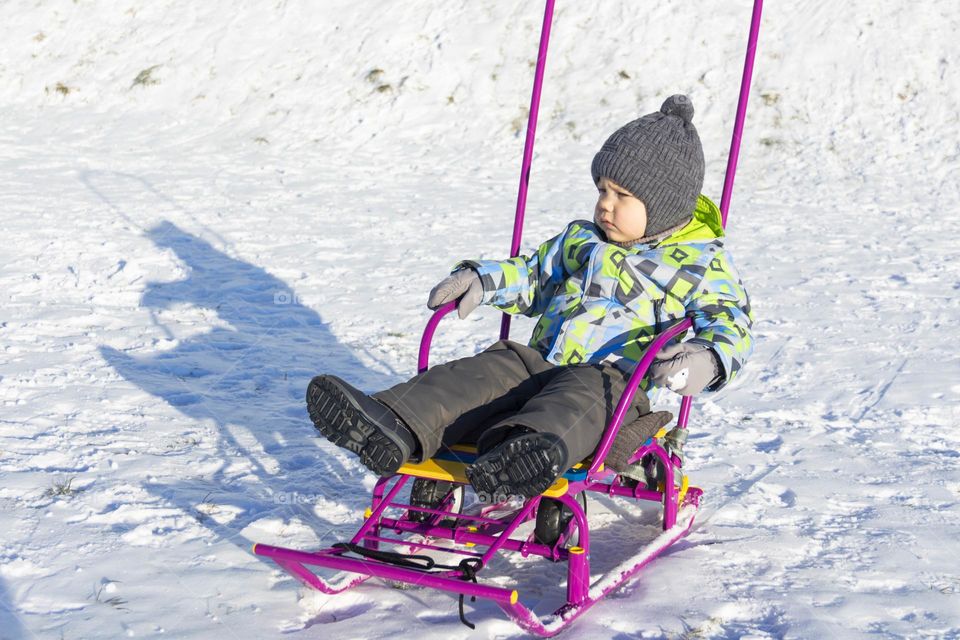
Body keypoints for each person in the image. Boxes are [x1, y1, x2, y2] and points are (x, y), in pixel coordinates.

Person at [306, 94, 754, 502]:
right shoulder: (583, 239)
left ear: (665, 205)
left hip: (612, 384)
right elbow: (535, 276)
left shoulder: (699, 263)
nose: (605, 205)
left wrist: (706, 360)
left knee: (576, 403)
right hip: (539, 362)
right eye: (602, 190)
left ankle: (520, 457)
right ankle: (391, 422)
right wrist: (483, 280)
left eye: (623, 196)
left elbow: (730, 320)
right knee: (484, 371)